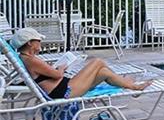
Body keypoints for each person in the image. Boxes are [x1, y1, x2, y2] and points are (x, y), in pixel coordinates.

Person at [12, 27, 152, 101]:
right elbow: (57, 74)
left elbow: (49, 74)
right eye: (38, 41)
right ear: (30, 43)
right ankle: (131, 85)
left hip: (64, 87)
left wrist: (54, 67)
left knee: (103, 72)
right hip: (64, 92)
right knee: (97, 62)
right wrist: (61, 67)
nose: (40, 44)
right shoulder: (32, 60)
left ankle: (130, 85)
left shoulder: (26, 58)